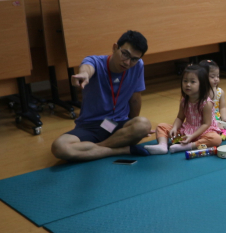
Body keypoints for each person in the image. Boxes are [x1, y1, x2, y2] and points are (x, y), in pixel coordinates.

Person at [50, 30, 152, 162]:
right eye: (125, 54)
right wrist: (84, 75)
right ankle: (121, 150)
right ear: (115, 47)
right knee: (59, 147)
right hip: (91, 126)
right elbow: (87, 68)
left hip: (118, 124)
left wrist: (133, 128)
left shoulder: (138, 66)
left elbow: (135, 99)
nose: (127, 62)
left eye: (134, 59)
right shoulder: (95, 62)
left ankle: (94, 149)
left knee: (143, 125)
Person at [147, 65, 222, 155]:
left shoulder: (206, 103)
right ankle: (162, 146)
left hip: (203, 133)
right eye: (185, 81)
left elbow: (206, 124)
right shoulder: (184, 100)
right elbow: (180, 118)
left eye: (192, 82)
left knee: (216, 139)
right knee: (161, 126)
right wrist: (174, 128)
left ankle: (187, 146)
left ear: (202, 84)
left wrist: (192, 136)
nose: (188, 84)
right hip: (186, 132)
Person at [198, 60, 226, 129]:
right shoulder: (199, 92)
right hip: (205, 119)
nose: (216, 79)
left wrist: (224, 118)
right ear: (202, 77)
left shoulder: (220, 92)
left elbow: (222, 107)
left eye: (218, 76)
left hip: (217, 117)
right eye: (212, 77)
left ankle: (222, 128)